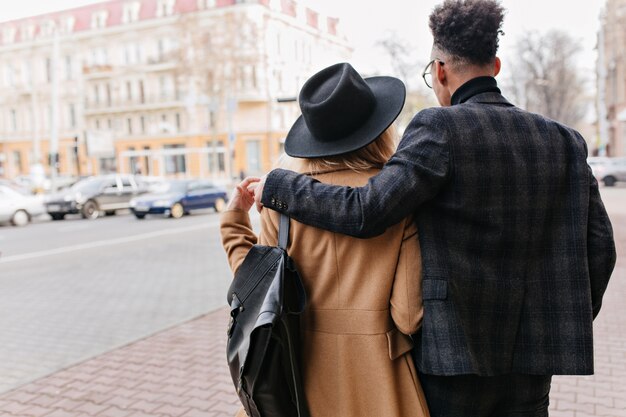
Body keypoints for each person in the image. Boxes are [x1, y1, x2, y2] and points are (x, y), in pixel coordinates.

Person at [252, 1, 617, 416]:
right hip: (533, 367)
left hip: (453, 361)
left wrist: (278, 185)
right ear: (495, 65)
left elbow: (366, 211)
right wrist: (555, 322)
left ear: (440, 71)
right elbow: (601, 250)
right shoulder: (565, 141)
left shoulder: (438, 129)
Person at [220, 63, 430, 417]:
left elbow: (258, 290)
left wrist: (234, 223)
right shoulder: (394, 200)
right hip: (381, 383)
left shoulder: (281, 202)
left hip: (301, 377)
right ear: (380, 131)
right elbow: (409, 315)